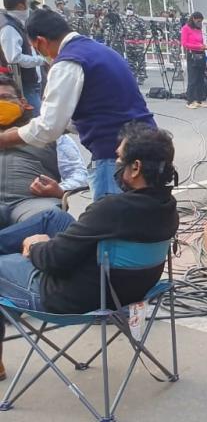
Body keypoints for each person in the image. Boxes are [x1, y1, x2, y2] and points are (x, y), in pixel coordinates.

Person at [0, 124, 179, 376]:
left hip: (67, 295)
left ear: (136, 167)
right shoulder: (167, 206)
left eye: (119, 158)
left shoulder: (112, 209)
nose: (116, 163)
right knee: (53, 217)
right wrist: (59, 195)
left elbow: (52, 260)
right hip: (122, 289)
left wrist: (36, 245)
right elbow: (94, 233)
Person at [0, 10, 156, 199]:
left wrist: (5, 139)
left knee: (111, 222)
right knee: (144, 214)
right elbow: (93, 111)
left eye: (36, 48)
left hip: (115, 154)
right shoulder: (102, 51)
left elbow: (48, 127)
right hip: (147, 147)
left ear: (40, 41)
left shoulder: (68, 63)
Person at [0, 73, 88, 223]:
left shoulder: (49, 133)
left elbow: (79, 175)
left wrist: (60, 190)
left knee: (56, 219)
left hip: (33, 203)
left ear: (24, 103)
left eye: (5, 97)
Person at [0, 0, 45, 115]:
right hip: (25, 84)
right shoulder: (9, 28)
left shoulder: (17, 24)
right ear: (21, 6)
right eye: (27, 3)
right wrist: (40, 60)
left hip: (32, 81)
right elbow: (14, 58)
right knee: (37, 118)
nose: (29, 7)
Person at [181, 12, 207, 109]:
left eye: (201, 21)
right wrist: (198, 46)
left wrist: (203, 47)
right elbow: (184, 43)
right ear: (193, 19)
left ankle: (199, 99)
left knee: (201, 78)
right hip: (192, 54)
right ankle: (190, 100)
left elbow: (200, 41)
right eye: (198, 21)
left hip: (201, 54)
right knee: (193, 78)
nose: (200, 22)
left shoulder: (199, 29)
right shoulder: (186, 28)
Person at [122, 4, 148, 83]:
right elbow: (122, 30)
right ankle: (132, 76)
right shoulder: (124, 19)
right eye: (127, 9)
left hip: (138, 44)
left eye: (130, 9)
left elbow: (144, 29)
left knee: (140, 60)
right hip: (129, 44)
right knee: (131, 61)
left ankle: (141, 76)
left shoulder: (138, 19)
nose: (128, 11)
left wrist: (141, 39)